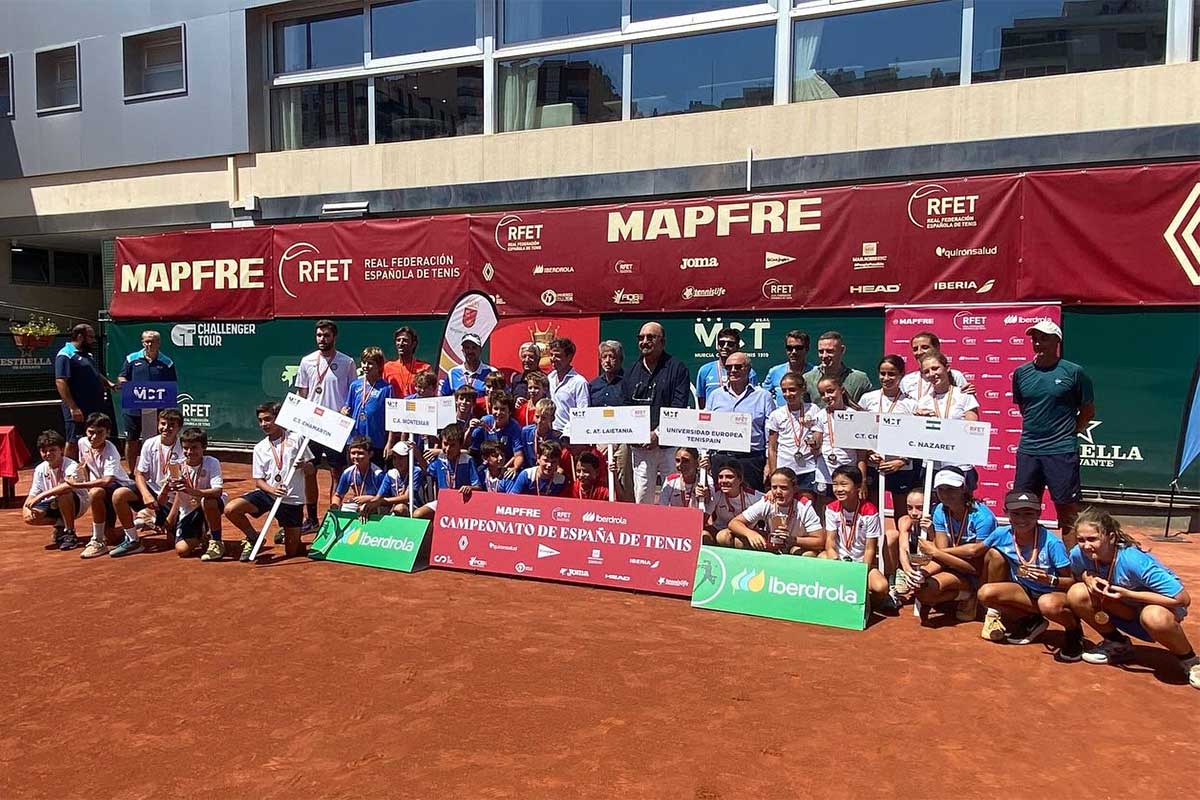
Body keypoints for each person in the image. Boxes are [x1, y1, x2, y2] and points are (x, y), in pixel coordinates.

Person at [1065, 508, 1197, 685]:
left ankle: (1190, 660)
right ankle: (1117, 643)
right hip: (1123, 607)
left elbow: (1182, 599)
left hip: (1159, 608)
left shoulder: (1134, 560)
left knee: (1154, 617)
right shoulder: (1078, 554)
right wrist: (1087, 577)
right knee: (1077, 593)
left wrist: (1129, 594)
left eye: (1092, 539)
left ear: (1111, 537)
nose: (1086, 545)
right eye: (1081, 540)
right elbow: (1076, 575)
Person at [1013, 320, 1095, 549]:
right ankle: (1028, 560)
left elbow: (1088, 411)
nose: (1038, 343)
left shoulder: (1074, 372)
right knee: (1023, 508)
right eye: (1035, 339)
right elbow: (1025, 409)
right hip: (1029, 449)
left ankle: (1073, 564)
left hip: (1061, 450)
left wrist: (1068, 432)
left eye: (1044, 338)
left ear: (1057, 341)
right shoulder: (1021, 373)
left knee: (1067, 510)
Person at [975, 490, 1077, 648]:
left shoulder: (1052, 543)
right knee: (985, 593)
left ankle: (1075, 632)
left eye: (1028, 514)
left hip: (1051, 593)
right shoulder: (1002, 533)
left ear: (1039, 513)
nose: (1022, 520)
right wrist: (938, 552)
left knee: (1047, 604)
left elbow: (1072, 581)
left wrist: (1050, 580)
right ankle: (1031, 620)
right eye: (1016, 514)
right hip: (1023, 591)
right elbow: (974, 550)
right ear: (1006, 513)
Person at [224, 401, 314, 562]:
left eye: (268, 419)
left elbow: (311, 471)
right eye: (260, 420)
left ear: (278, 418)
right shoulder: (260, 447)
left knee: (292, 552)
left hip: (292, 500)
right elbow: (259, 481)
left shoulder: (297, 439)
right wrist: (272, 490)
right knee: (231, 509)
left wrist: (304, 465)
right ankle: (254, 537)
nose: (263, 424)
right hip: (268, 495)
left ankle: (289, 534)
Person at [910, 468, 998, 622]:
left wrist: (935, 552)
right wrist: (921, 574)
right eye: (941, 489)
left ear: (963, 488)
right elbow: (943, 552)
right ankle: (967, 595)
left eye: (951, 489)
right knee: (923, 590)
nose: (945, 494)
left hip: (981, 573)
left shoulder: (983, 517)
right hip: (955, 567)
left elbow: (976, 564)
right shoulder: (939, 510)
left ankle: (976, 597)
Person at [296, 319, 355, 531]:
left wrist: (346, 410)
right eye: (319, 335)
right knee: (309, 471)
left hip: (335, 426)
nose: (322, 339)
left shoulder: (347, 362)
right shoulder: (307, 361)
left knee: (336, 472)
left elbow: (353, 391)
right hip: (312, 425)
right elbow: (302, 394)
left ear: (334, 337)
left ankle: (333, 516)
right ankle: (312, 519)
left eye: (326, 335)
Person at [622, 322, 691, 504]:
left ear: (662, 342)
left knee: (673, 493)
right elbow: (626, 407)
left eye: (650, 337)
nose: (645, 341)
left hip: (669, 445)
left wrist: (657, 434)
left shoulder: (677, 368)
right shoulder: (630, 371)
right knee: (642, 494)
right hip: (640, 446)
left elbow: (678, 406)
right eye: (641, 338)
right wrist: (639, 434)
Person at [110, 408, 185, 558]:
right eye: (163, 424)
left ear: (179, 428)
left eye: (172, 425)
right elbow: (139, 474)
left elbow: (182, 488)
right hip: (152, 492)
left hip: (173, 498)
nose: (166, 428)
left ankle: (147, 519)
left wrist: (171, 516)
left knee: (174, 544)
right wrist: (146, 495)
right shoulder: (150, 443)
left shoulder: (184, 448)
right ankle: (133, 540)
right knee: (119, 494)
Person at [821, 465, 894, 611]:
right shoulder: (831, 508)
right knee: (821, 559)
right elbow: (830, 542)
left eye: (844, 484)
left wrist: (860, 573)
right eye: (835, 484)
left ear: (858, 487)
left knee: (881, 587)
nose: (838, 489)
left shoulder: (870, 511)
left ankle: (867, 606)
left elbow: (869, 549)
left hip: (861, 563)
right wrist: (835, 560)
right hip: (839, 560)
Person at [860, 355, 919, 532]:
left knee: (902, 513)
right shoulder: (867, 399)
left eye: (892, 374)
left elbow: (917, 437)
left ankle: (903, 544)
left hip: (901, 466)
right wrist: (868, 453)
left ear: (901, 374)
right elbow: (859, 432)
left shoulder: (911, 404)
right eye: (882, 373)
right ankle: (874, 544)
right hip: (875, 464)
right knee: (872, 510)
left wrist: (902, 460)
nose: (886, 378)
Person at [705, 351, 776, 493]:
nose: (732, 370)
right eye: (728, 367)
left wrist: (769, 463)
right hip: (721, 459)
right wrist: (705, 455)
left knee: (753, 503)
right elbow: (706, 427)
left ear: (748, 369)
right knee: (719, 502)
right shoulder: (715, 396)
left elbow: (770, 434)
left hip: (751, 460)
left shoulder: (763, 396)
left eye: (738, 367)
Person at [69, 413, 135, 560]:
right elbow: (84, 465)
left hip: (121, 488)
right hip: (102, 489)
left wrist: (80, 485)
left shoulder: (111, 451)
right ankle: (138, 524)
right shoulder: (82, 443)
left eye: (100, 433)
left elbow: (107, 481)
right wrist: (78, 475)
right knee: (111, 537)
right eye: (91, 432)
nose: (94, 437)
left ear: (108, 433)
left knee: (95, 492)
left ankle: (97, 540)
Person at [914, 350, 981, 491]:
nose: (931, 374)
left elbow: (973, 428)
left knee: (962, 501)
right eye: (926, 371)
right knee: (932, 502)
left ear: (947, 368)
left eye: (935, 368)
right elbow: (918, 435)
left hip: (959, 461)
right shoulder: (923, 401)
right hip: (932, 462)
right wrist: (919, 421)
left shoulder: (964, 395)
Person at [117, 330, 178, 470]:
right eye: (146, 341)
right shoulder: (131, 359)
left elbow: (172, 385)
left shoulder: (167, 362)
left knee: (157, 440)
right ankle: (131, 472)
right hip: (133, 408)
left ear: (158, 343)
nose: (149, 344)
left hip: (158, 409)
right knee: (131, 439)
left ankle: (156, 470)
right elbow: (121, 376)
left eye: (152, 341)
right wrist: (124, 383)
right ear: (142, 342)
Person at [162, 427, 226, 561]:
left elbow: (217, 491)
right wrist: (166, 490)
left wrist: (192, 491)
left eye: (194, 447)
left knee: (208, 501)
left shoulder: (212, 462)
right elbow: (171, 497)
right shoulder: (176, 466)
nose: (189, 452)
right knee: (182, 550)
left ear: (204, 447)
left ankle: (216, 541)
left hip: (209, 505)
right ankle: (202, 534)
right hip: (188, 510)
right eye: (185, 448)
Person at [726, 467, 823, 554]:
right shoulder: (768, 501)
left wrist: (793, 540)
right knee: (726, 537)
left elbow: (820, 540)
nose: (778, 492)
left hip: (796, 545)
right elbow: (733, 523)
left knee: (808, 554)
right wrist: (750, 534)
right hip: (772, 543)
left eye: (783, 488)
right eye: (774, 487)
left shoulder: (803, 506)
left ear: (794, 489)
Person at [55, 323, 114, 461]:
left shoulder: (87, 354)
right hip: (78, 408)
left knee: (93, 439)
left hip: (94, 406)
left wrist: (109, 384)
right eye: (91, 337)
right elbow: (60, 381)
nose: (93, 340)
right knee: (73, 441)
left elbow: (95, 374)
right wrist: (73, 408)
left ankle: (91, 468)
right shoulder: (65, 354)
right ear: (80, 336)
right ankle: (68, 471)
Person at [21, 429, 85, 551]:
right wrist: (26, 508)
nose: (48, 454)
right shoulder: (40, 469)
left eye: (52, 450)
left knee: (63, 493)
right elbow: (34, 492)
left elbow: (69, 486)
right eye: (44, 451)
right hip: (53, 503)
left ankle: (70, 533)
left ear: (61, 449)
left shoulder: (72, 465)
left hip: (77, 503)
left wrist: (41, 496)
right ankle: (60, 524)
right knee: (30, 516)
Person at [813, 374, 868, 506]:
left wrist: (862, 480)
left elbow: (861, 454)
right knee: (825, 509)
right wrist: (813, 444)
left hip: (849, 473)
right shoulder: (820, 416)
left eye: (830, 391)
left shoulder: (855, 416)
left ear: (841, 390)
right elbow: (815, 446)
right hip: (825, 474)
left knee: (850, 508)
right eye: (822, 394)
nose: (827, 396)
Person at [589, 340, 633, 501]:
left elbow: (632, 413)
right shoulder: (593, 385)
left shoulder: (629, 382)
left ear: (620, 360)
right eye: (604, 357)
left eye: (612, 357)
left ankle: (627, 510)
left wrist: (617, 441)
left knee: (623, 481)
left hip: (622, 440)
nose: (607, 361)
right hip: (599, 440)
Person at [765, 372, 821, 497]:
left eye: (792, 389)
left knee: (807, 504)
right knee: (785, 504)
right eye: (784, 390)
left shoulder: (813, 409)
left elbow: (818, 439)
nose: (788, 394)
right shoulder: (776, 415)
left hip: (808, 469)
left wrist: (813, 438)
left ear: (802, 389)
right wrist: (774, 474)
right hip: (784, 469)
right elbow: (772, 448)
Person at [413, 424, 484, 519]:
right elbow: (427, 470)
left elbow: (478, 487)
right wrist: (417, 452)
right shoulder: (440, 459)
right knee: (418, 514)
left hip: (463, 502)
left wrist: (469, 488)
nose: (448, 449)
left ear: (460, 445)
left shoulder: (467, 460)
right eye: (445, 444)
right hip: (444, 501)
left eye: (453, 445)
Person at [343, 346, 392, 465]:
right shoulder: (355, 385)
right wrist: (344, 411)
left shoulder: (387, 388)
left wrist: (389, 442)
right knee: (354, 471)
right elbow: (347, 408)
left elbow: (391, 418)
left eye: (370, 363)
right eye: (364, 362)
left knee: (376, 472)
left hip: (376, 441)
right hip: (355, 439)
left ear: (379, 366)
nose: (365, 366)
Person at [803, 331, 872, 408]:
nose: (824, 356)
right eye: (821, 352)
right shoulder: (808, 379)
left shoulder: (860, 380)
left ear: (842, 350)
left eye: (829, 351)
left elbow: (868, 408)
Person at [701, 461, 762, 547]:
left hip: (744, 532)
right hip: (719, 530)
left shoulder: (753, 496)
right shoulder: (716, 493)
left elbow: (770, 501)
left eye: (729, 477)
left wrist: (771, 493)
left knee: (731, 539)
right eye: (720, 477)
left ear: (740, 479)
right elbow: (703, 519)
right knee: (705, 535)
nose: (724, 481)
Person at [331, 436, 393, 521]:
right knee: (345, 510)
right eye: (353, 453)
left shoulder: (378, 474)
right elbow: (338, 495)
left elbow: (388, 499)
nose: (356, 456)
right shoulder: (348, 473)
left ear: (370, 454)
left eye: (360, 453)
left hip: (378, 505)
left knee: (366, 508)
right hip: (359, 504)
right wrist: (335, 507)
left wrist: (369, 498)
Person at [696, 328, 758, 409]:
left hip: (740, 415)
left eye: (730, 344)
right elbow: (701, 401)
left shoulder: (749, 372)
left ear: (737, 346)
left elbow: (753, 398)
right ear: (717, 346)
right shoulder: (704, 370)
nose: (725, 346)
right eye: (721, 343)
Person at [899, 332, 972, 400]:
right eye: (915, 349)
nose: (919, 352)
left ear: (937, 348)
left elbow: (966, 402)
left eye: (925, 347)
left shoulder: (955, 375)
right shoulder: (907, 380)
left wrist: (969, 394)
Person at [547, 337, 590, 437]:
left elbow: (583, 413)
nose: (553, 359)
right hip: (549, 435)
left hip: (568, 436)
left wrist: (567, 434)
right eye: (551, 355)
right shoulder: (549, 378)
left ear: (569, 357)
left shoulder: (579, 382)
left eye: (557, 356)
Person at [469, 393, 523, 469]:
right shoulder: (485, 421)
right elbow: (471, 448)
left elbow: (518, 455)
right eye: (496, 409)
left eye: (503, 409)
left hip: (506, 465)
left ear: (510, 411)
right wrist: (470, 430)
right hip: (486, 465)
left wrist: (514, 468)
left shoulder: (514, 427)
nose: (498, 413)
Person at [762, 331, 815, 407]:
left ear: (806, 349)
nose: (794, 352)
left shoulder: (815, 372)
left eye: (798, 348)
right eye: (789, 348)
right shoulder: (774, 372)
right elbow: (763, 397)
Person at [383, 326, 430, 398]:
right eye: (398, 340)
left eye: (405, 340)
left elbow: (430, 394)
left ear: (413, 344)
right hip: (394, 405)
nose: (400, 343)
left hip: (417, 404)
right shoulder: (387, 367)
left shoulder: (425, 368)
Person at [384, 441, 425, 516]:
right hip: (395, 506)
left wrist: (383, 501)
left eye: (401, 458)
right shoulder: (390, 473)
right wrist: (374, 502)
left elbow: (407, 497)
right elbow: (379, 496)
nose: (397, 461)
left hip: (415, 507)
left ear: (409, 458)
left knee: (400, 508)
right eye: (394, 458)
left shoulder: (415, 471)